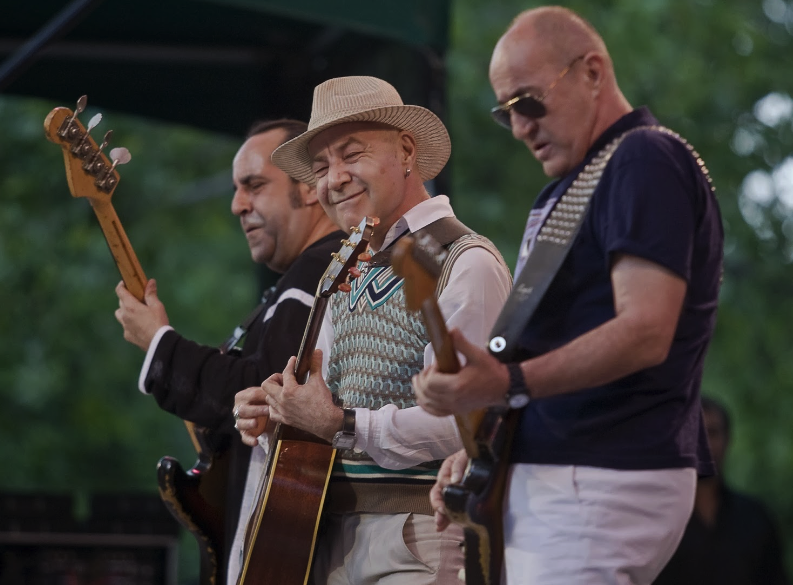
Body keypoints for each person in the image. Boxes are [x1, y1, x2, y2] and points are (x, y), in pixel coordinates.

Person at [413, 6, 724, 585]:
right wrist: (485, 442)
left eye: (529, 102)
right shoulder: (567, 191)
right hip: (564, 469)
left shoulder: (643, 157)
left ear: (593, 72)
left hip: (601, 469)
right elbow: (545, 342)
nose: (522, 127)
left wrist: (505, 383)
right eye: (506, 115)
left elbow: (645, 330)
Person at [233, 76, 513, 585]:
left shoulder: (463, 261)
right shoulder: (350, 270)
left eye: (351, 154)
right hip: (330, 535)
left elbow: (470, 424)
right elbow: (325, 412)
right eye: (320, 167)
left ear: (407, 150)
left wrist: (342, 422)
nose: (334, 178)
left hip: (423, 535)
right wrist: (277, 414)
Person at [114, 118, 343, 584]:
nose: (238, 205)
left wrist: (159, 343)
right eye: (238, 190)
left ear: (309, 188)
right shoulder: (302, 280)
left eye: (254, 186)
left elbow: (258, 392)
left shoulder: (317, 275)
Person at [654, 396, 791, 585]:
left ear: (727, 439)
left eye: (712, 433)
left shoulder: (755, 517)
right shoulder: (659, 517)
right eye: (695, 433)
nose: (703, 444)